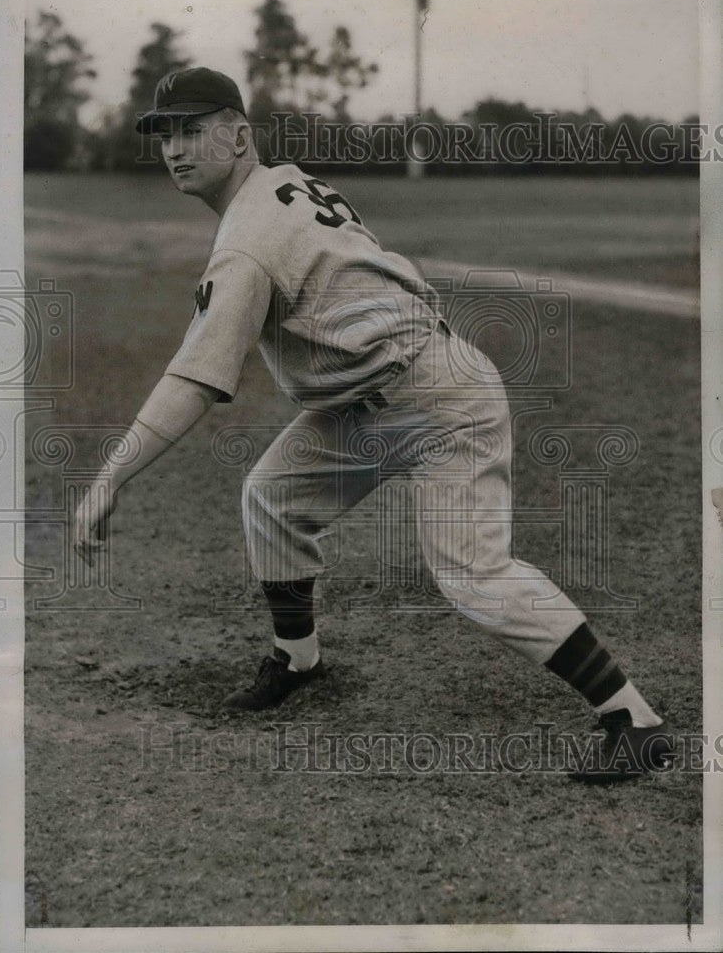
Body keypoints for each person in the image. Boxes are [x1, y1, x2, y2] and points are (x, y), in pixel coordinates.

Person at [73, 67, 672, 782]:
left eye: (192, 129)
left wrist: (111, 476)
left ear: (238, 134)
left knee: (474, 578)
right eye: (165, 133)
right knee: (272, 496)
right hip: (371, 400)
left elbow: (194, 379)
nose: (175, 147)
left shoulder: (247, 239)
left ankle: (632, 719)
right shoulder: (281, 180)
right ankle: (298, 657)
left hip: (441, 401)